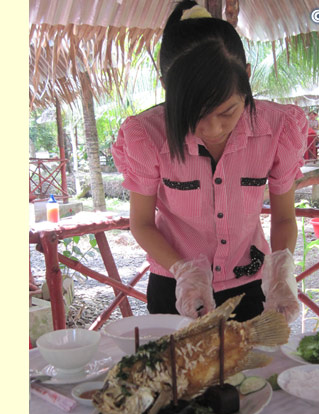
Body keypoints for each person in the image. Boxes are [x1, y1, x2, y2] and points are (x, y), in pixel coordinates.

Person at [112, 0, 308, 324]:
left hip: (250, 286)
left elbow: (285, 218)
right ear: (167, 90)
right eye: (196, 115)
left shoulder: (278, 129)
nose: (214, 129)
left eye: (227, 111)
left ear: (246, 77)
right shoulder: (147, 136)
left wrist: (281, 269)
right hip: (175, 286)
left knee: (253, 374)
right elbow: (142, 224)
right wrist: (184, 272)